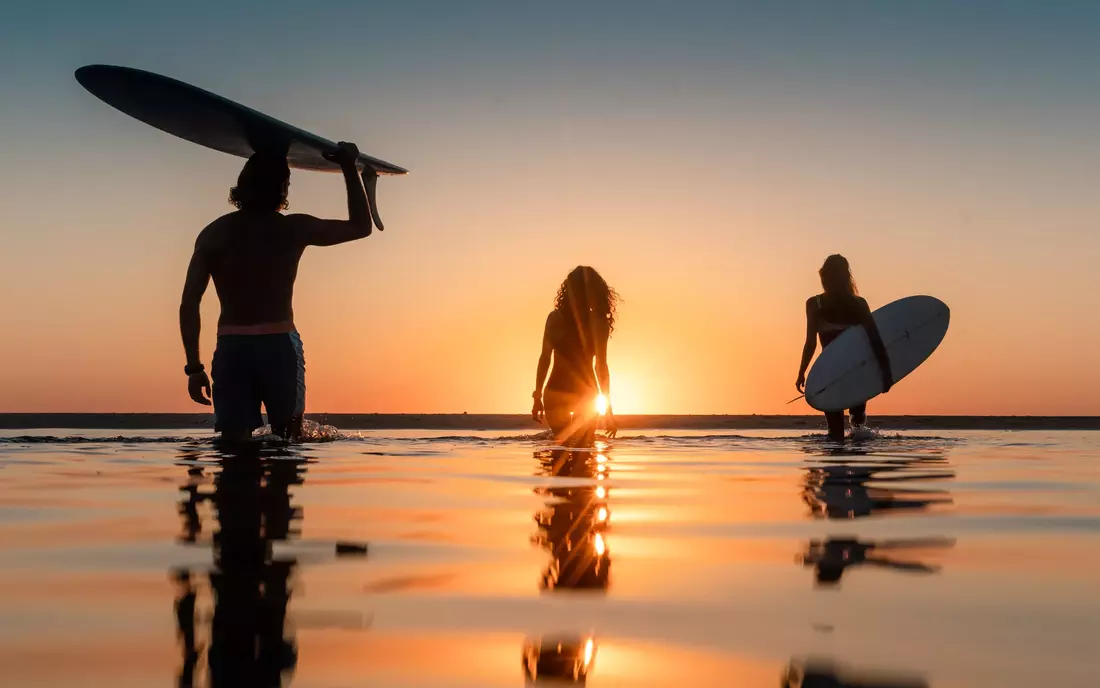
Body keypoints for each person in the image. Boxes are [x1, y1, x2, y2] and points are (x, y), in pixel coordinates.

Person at [179, 142, 380, 441]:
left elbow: (189, 304)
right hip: (279, 346)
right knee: (288, 442)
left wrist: (194, 368)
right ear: (283, 189)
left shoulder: (214, 234)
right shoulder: (293, 229)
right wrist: (348, 167)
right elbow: (361, 227)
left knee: (235, 447)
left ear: (242, 186)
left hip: (233, 348)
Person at [796, 255, 892, 441]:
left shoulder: (858, 304)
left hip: (848, 371)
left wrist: (886, 373)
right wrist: (802, 372)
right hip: (840, 371)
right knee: (846, 431)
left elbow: (875, 340)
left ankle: (846, 463)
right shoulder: (816, 304)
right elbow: (810, 342)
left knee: (851, 430)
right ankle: (848, 465)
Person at [531, 266, 619, 446]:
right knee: (585, 455)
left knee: (559, 451)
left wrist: (538, 397)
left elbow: (545, 359)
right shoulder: (598, 323)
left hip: (556, 391)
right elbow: (601, 367)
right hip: (585, 393)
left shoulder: (555, 319)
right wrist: (608, 410)